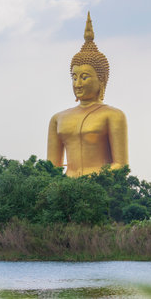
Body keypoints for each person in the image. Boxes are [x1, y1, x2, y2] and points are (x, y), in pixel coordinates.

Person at [47, 12, 128, 177]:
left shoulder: (113, 115)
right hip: (65, 190)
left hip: (100, 188)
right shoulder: (58, 118)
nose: (77, 84)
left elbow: (121, 165)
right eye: (74, 77)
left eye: (84, 77)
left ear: (101, 79)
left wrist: (90, 182)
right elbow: (50, 169)